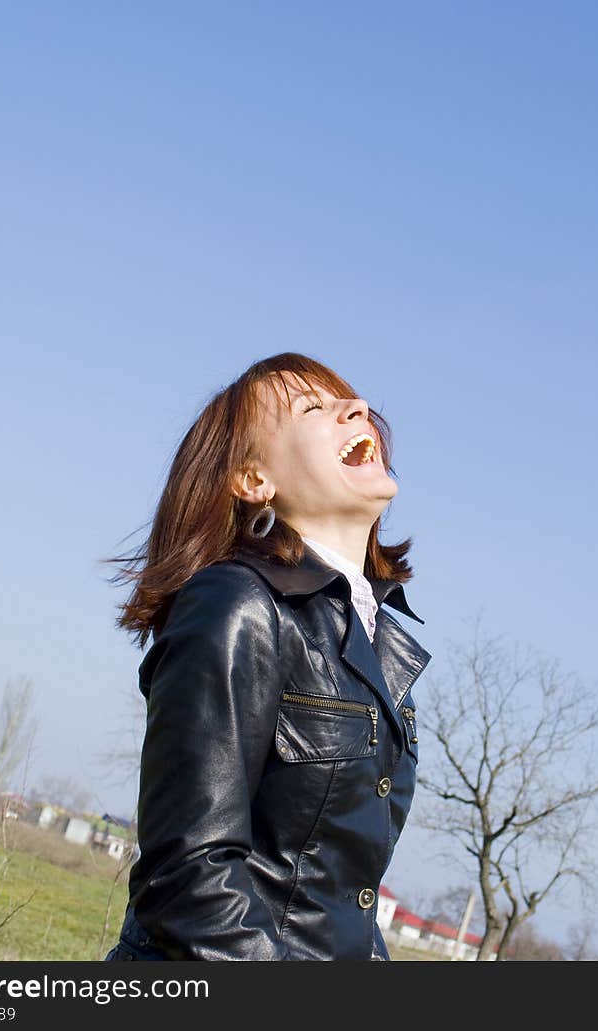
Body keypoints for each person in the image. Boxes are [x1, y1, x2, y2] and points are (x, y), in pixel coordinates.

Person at [103, 352, 431, 961]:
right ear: (254, 480)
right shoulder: (236, 603)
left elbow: (341, 896)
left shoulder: (372, 632)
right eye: (315, 408)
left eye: (352, 401)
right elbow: (190, 877)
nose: (358, 410)